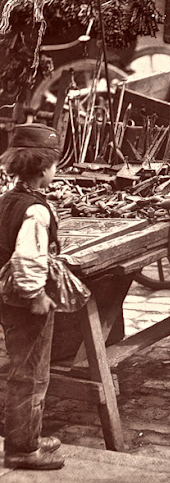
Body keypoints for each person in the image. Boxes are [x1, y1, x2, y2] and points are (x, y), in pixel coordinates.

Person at [0, 123, 64, 470]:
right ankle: (23, 448)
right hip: (24, 301)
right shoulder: (36, 211)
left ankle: (26, 434)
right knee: (32, 374)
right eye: (54, 165)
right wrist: (36, 296)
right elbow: (27, 259)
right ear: (43, 169)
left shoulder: (7, 200)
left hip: (6, 296)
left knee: (19, 368)